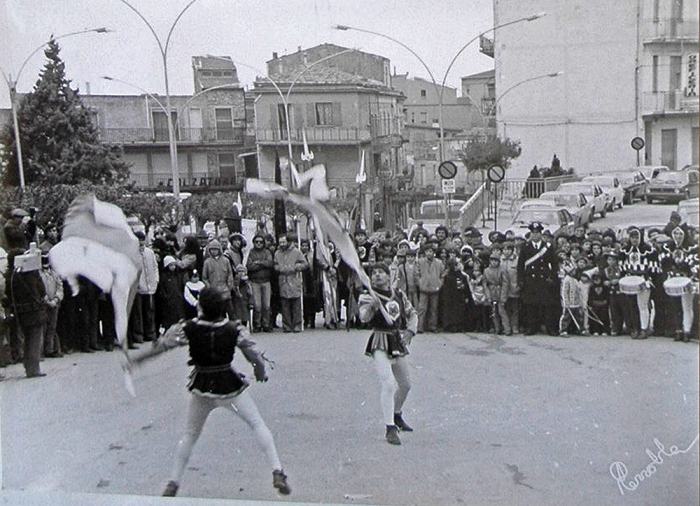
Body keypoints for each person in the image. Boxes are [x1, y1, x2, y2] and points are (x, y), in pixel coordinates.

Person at [126, 287, 291, 497]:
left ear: (200, 306)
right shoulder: (234, 328)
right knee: (257, 424)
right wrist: (260, 371)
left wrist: (137, 359)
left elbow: (162, 346)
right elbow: (254, 354)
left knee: (190, 434)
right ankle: (277, 470)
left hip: (202, 386)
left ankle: (173, 482)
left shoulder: (188, 328)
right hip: (229, 386)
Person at [357, 263, 418, 445]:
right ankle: (389, 427)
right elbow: (363, 317)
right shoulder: (368, 296)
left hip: (396, 339)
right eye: (373, 273)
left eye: (380, 273)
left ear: (388, 275)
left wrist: (411, 331)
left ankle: (396, 414)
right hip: (380, 340)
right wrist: (373, 307)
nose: (377, 276)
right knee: (388, 383)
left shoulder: (398, 294)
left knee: (406, 384)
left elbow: (411, 313)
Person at [4, 248, 47, 377]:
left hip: (20, 313)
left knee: (27, 339)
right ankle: (33, 368)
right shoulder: (30, 274)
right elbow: (42, 290)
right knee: (34, 340)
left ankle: (29, 365)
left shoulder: (10, 276)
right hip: (34, 311)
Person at [517, 222, 559, 335]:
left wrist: (552, 277)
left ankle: (550, 328)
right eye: (533, 233)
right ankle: (532, 327)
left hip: (544, 280)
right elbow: (520, 265)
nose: (535, 235)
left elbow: (554, 264)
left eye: (537, 233)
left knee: (547, 306)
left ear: (541, 234)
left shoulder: (548, 247)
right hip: (530, 280)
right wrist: (520, 280)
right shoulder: (525, 247)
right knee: (531, 306)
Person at [619, 227, 659, 339]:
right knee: (632, 305)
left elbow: (654, 268)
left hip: (643, 280)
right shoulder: (624, 250)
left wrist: (648, 279)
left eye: (636, 237)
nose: (634, 240)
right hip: (630, 281)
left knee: (643, 305)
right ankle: (635, 328)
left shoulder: (649, 250)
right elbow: (621, 267)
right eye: (632, 237)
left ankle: (644, 329)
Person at [274, 234, 308, 333]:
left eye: (283, 242)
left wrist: (296, 267)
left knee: (296, 304)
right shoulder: (277, 253)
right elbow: (275, 264)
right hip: (283, 280)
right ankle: (287, 325)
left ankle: (297, 324)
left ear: (288, 242)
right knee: (285, 305)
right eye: (280, 242)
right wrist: (279, 268)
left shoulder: (297, 252)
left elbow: (305, 264)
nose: (282, 244)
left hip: (294, 279)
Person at [246, 234, 275, 332]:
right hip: (255, 281)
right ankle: (257, 324)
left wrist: (258, 263)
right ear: (253, 243)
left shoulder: (267, 252)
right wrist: (263, 263)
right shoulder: (251, 252)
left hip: (266, 281)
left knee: (266, 305)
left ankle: (266, 324)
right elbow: (249, 266)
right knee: (257, 305)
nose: (258, 244)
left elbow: (270, 264)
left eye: (260, 242)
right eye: (256, 242)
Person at [414, 244, 445, 333]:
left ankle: (433, 326)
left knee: (433, 309)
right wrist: (420, 283)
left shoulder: (439, 263)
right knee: (422, 308)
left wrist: (439, 284)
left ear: (434, 253)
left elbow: (442, 274)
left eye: (431, 251)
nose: (429, 253)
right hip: (424, 288)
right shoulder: (420, 262)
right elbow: (416, 274)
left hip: (435, 288)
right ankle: (420, 327)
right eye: (427, 251)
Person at [483, 253, 511, 335]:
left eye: (496, 261)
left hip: (500, 291)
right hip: (491, 292)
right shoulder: (486, 271)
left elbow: (505, 283)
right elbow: (485, 284)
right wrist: (488, 296)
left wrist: (503, 297)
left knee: (502, 311)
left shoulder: (502, 270)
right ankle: (497, 328)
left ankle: (507, 329)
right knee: (494, 312)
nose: (494, 263)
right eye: (492, 261)